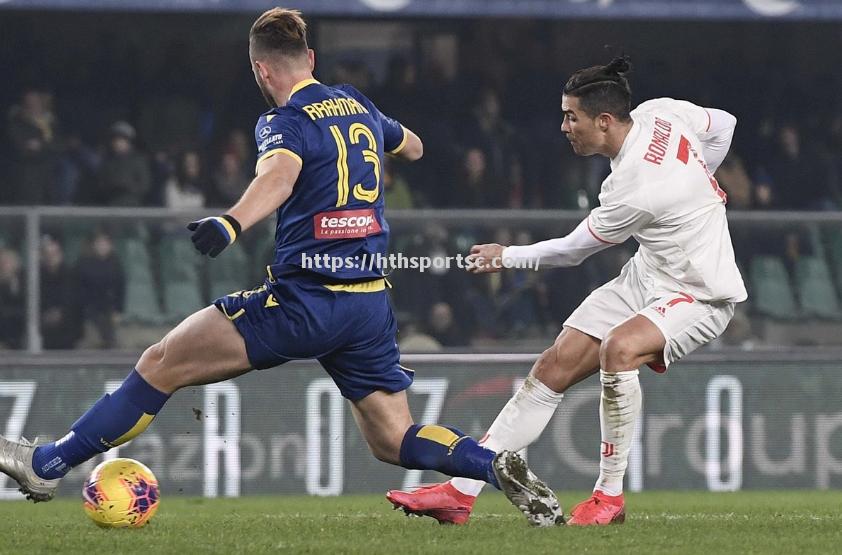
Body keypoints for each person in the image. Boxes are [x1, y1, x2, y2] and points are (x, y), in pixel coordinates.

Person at [0, 8, 559, 527]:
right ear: (311, 59)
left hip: (303, 302)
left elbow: (279, 177)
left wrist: (231, 222)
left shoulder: (283, 121)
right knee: (394, 439)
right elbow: (412, 147)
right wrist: (380, 137)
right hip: (367, 305)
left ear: (260, 70)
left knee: (160, 363)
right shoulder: (358, 104)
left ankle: (46, 464)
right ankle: (491, 464)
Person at [387, 56, 747, 526]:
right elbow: (724, 125)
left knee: (619, 350)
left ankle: (609, 499)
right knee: (554, 364)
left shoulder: (636, 186)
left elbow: (573, 251)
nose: (563, 126)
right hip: (649, 272)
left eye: (570, 116)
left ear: (603, 121)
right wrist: (700, 182)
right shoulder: (663, 113)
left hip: (700, 290)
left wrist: (506, 255)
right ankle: (461, 492)